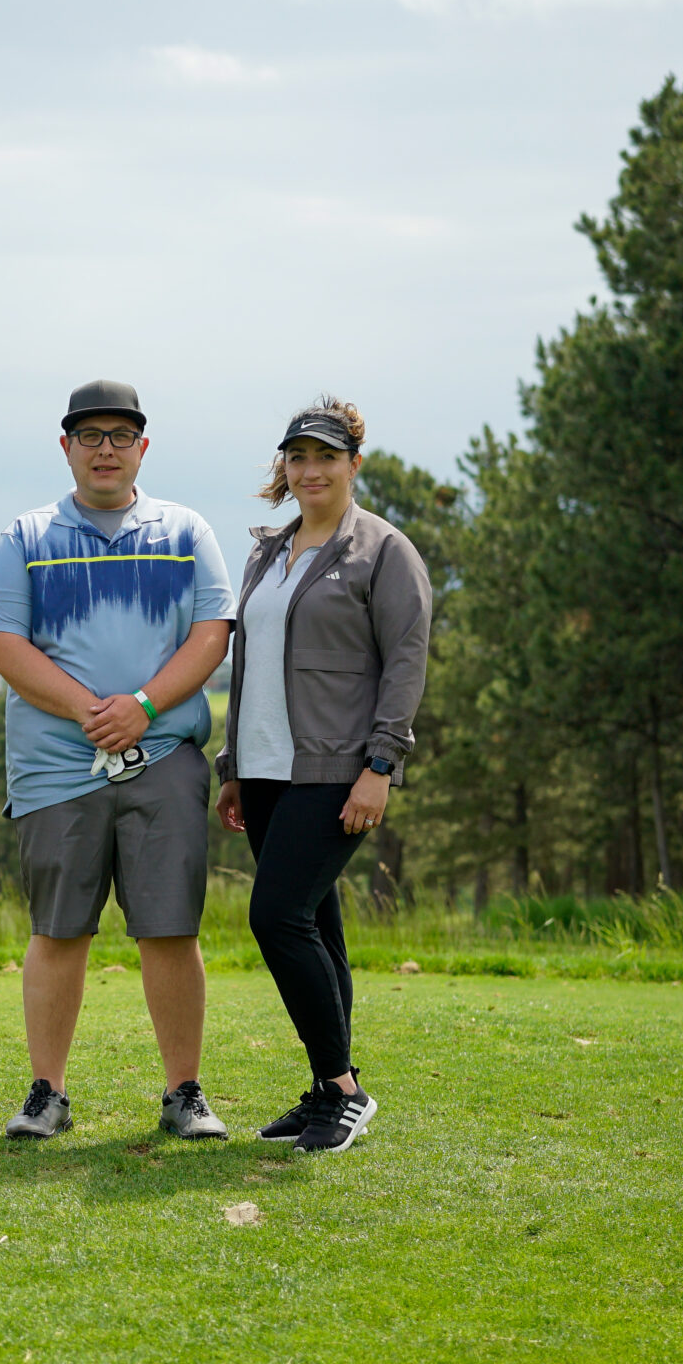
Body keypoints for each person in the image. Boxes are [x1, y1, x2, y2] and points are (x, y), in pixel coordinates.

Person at [0, 381, 235, 1141]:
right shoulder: (26, 535)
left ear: (142, 448)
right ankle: (47, 1093)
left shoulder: (186, 529)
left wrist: (142, 708)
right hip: (56, 765)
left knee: (170, 928)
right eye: (89, 436)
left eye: (121, 436)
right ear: (66, 447)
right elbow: (3, 644)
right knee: (59, 930)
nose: (105, 450)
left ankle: (184, 1091)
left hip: (163, 755)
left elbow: (212, 635)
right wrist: (91, 711)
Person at [215, 397, 430, 1155]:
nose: (310, 470)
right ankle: (323, 1089)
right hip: (265, 769)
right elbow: (248, 664)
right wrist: (233, 766)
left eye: (326, 457)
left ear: (353, 464)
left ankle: (343, 1091)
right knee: (317, 924)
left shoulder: (384, 551)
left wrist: (380, 766)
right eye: (298, 456)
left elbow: (405, 662)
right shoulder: (267, 551)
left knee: (276, 916)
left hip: (336, 767)